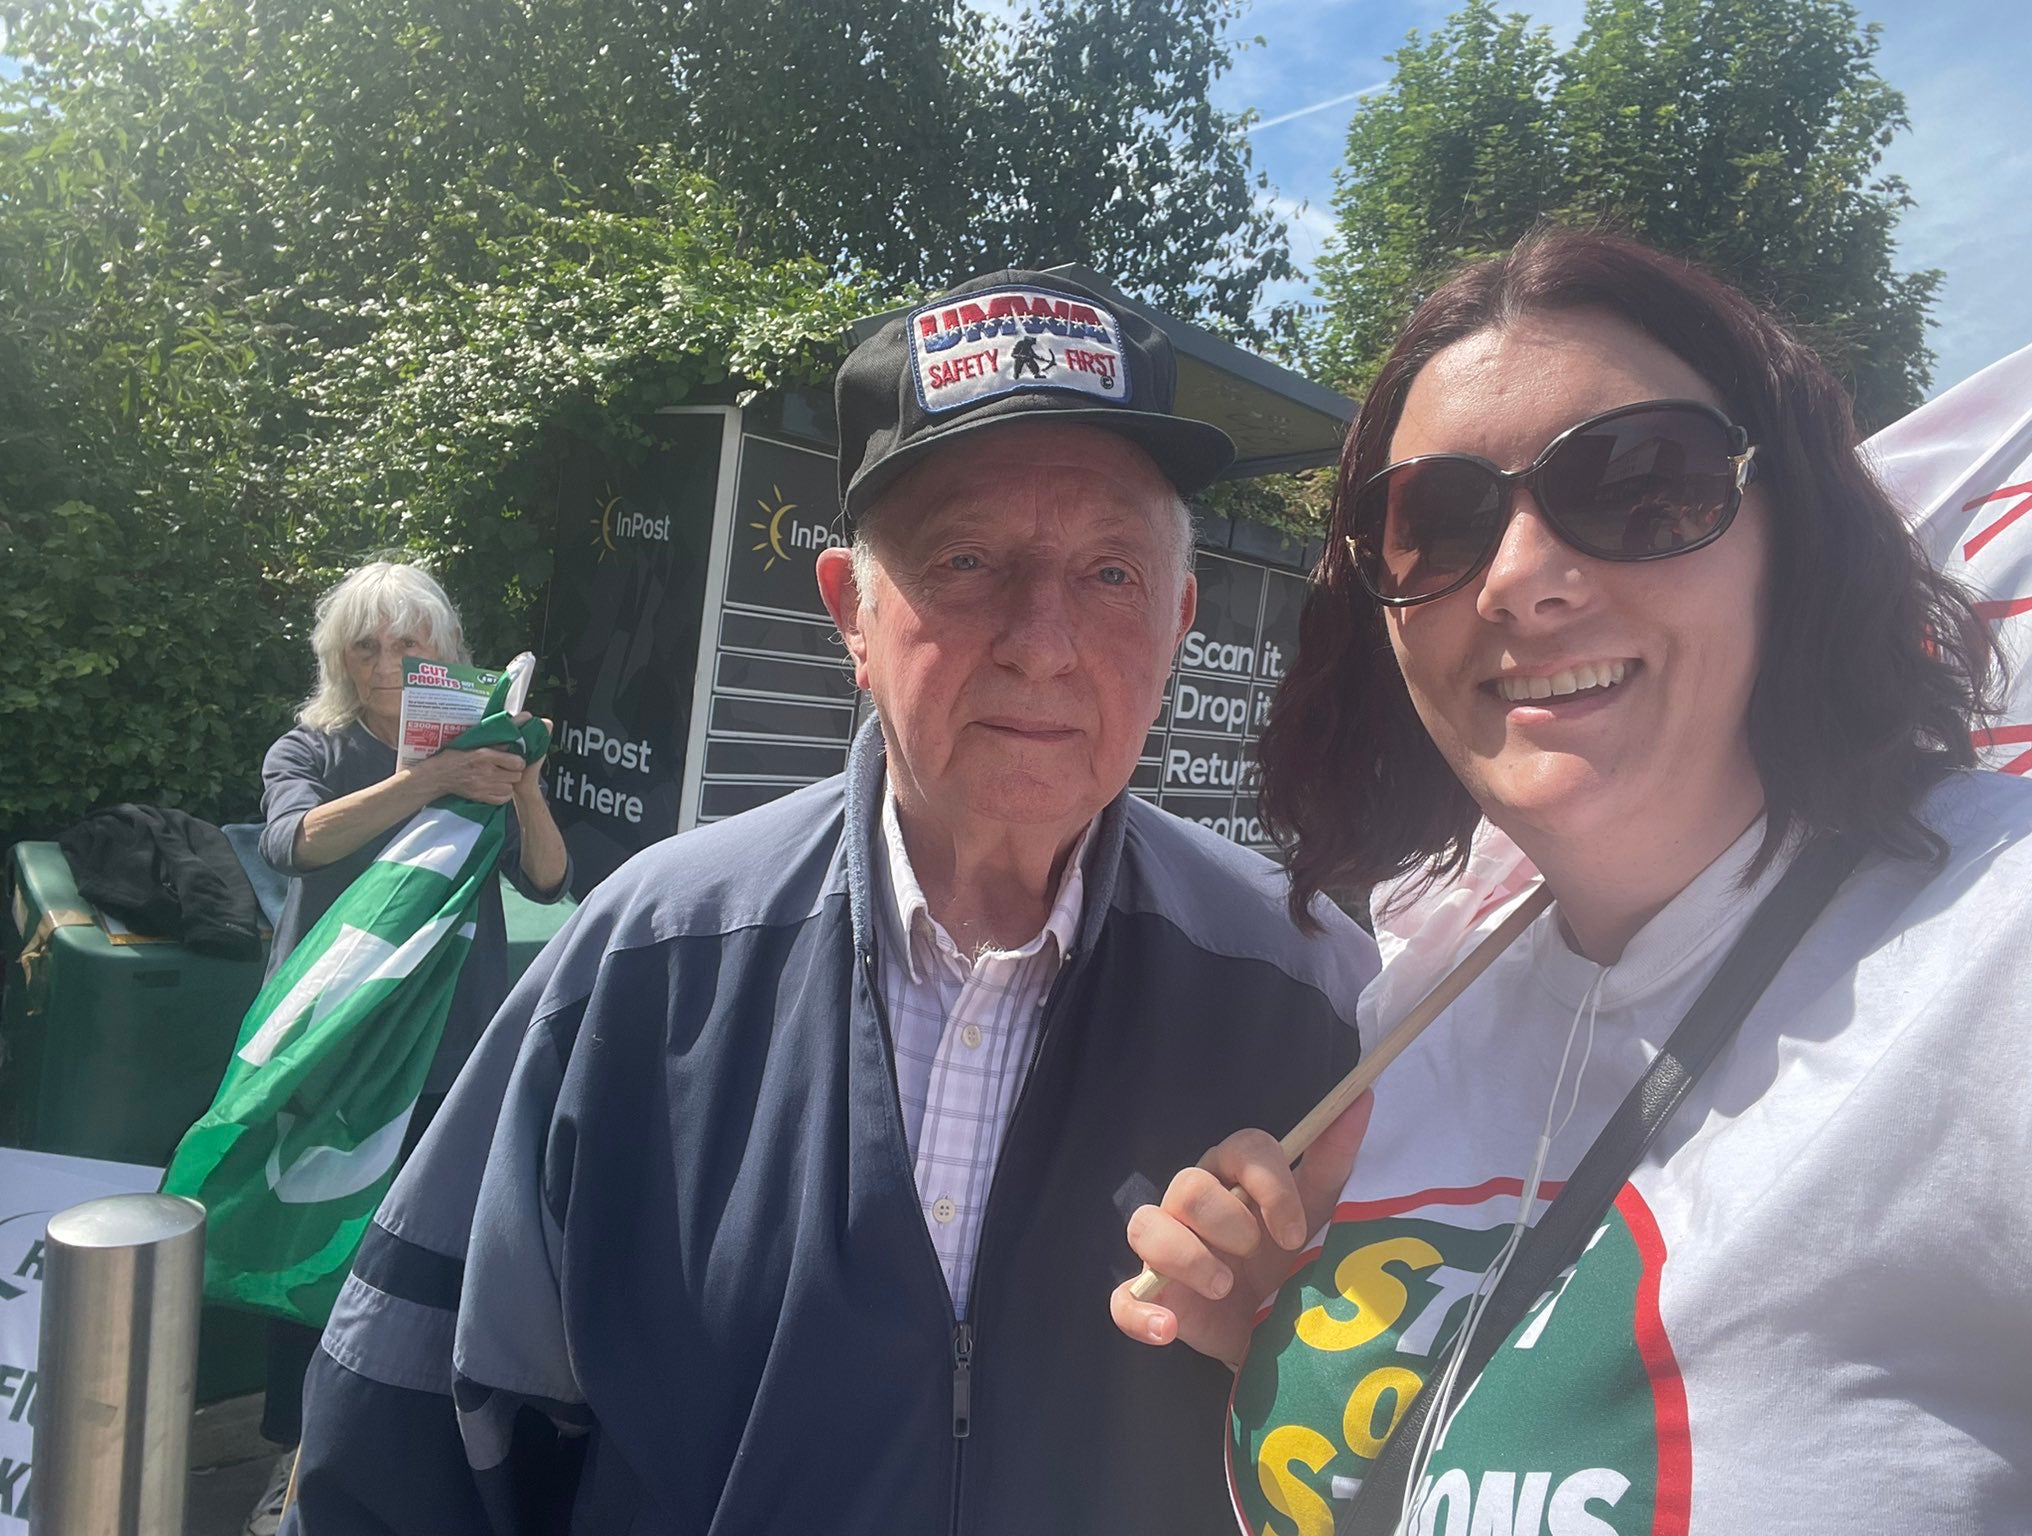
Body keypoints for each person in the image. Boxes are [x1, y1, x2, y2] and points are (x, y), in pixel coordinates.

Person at [283, 269, 1378, 1535]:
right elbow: (407, 1431)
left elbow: (1431, 1456)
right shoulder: (648, 956)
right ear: (851, 612)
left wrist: (1310, 1364)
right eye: (966, 559)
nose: (1042, 638)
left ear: (1178, 621)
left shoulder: (1314, 1002)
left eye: (1110, 575)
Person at [1113, 229, 2032, 1534]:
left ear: (1795, 528)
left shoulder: (2007, 949)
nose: (1520, 579)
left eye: (1640, 484)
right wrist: (1268, 1340)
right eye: (1433, 523)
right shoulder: (1418, 987)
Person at [246, 560, 570, 1536]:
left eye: (407, 642)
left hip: (451, 1046)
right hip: (336, 1050)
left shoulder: (486, 748)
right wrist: (430, 780)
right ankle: (285, 1462)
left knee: (425, 1257)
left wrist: (523, 785)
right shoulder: (317, 744)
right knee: (311, 1257)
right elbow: (292, 842)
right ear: (336, 657)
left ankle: (392, 1448)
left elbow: (551, 882)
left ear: (445, 651)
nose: (385, 662)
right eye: (364, 644)